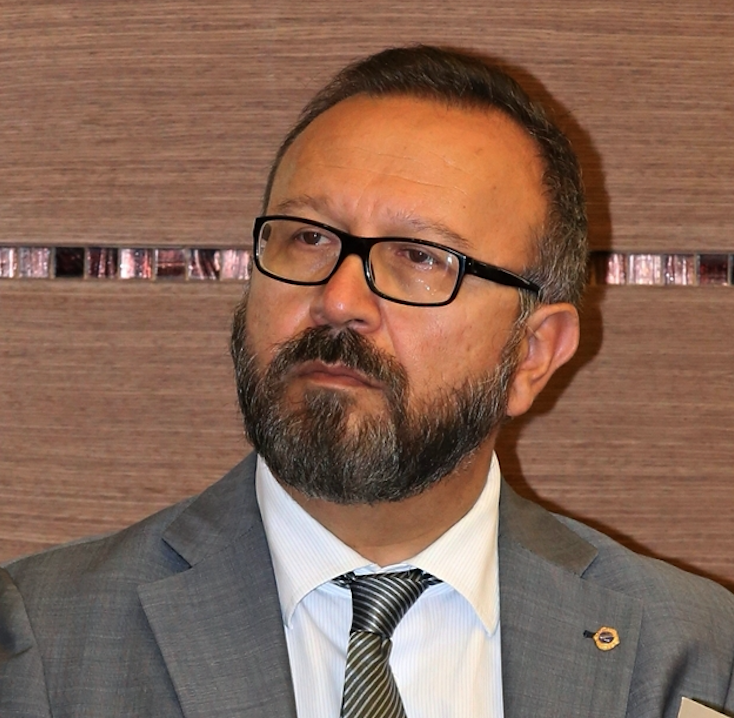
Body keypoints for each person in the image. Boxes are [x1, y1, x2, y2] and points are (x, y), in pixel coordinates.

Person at [1, 45, 733, 718]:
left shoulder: (693, 655)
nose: (340, 299)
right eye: (308, 238)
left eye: (420, 257)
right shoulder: (44, 642)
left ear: (532, 354)